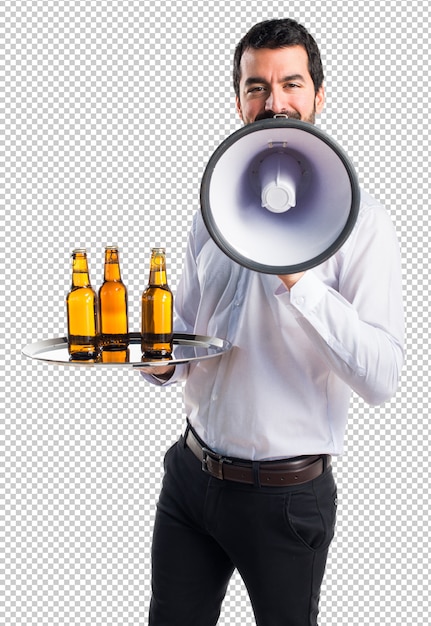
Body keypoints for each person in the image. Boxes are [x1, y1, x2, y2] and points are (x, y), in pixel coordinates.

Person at [141, 18, 404, 626]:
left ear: (318, 97)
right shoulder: (211, 210)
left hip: (284, 499)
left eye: (291, 83)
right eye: (256, 87)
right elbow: (182, 337)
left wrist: (299, 280)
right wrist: (156, 362)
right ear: (238, 102)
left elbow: (383, 378)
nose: (274, 102)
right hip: (190, 477)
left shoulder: (364, 226)